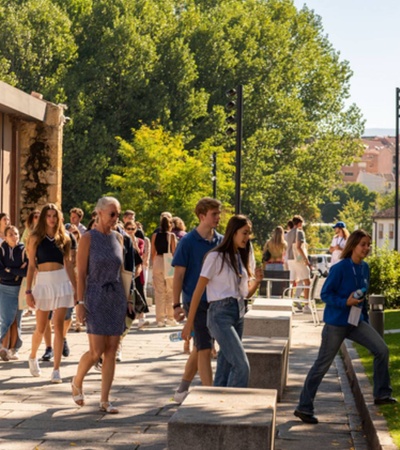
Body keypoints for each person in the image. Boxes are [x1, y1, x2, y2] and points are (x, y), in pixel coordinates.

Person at [294, 229, 397, 425]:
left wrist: (364, 317)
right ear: (353, 246)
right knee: (322, 365)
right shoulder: (339, 268)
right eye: (363, 245)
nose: (367, 248)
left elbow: (363, 296)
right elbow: (325, 294)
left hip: (356, 322)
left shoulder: (365, 268)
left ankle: (382, 394)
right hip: (336, 323)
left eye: (369, 245)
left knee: (382, 349)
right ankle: (304, 407)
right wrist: (345, 302)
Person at [182, 215, 263, 387]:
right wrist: (189, 323)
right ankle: (232, 408)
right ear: (233, 232)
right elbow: (198, 291)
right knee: (242, 366)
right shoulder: (215, 257)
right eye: (244, 233)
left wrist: (256, 282)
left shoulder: (240, 257)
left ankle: (216, 406)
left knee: (225, 367)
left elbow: (245, 294)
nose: (247, 237)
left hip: (239, 312)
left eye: (249, 234)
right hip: (219, 314)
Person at [71, 197, 132, 414]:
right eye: (112, 214)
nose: (116, 218)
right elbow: (81, 275)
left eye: (118, 213)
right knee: (96, 351)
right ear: (99, 213)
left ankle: (105, 400)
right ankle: (77, 380)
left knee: (112, 350)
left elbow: (123, 271)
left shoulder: (119, 237)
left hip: (115, 296)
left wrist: (129, 299)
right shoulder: (87, 238)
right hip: (95, 295)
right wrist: (79, 302)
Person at [172, 197, 223, 403]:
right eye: (214, 214)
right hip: (195, 301)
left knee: (200, 345)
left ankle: (182, 389)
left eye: (219, 214)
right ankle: (209, 393)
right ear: (202, 216)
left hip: (216, 300)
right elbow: (178, 275)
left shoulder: (221, 241)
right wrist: (175, 305)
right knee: (204, 347)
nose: (218, 218)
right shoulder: (188, 242)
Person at [26, 204, 76, 383]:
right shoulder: (35, 238)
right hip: (43, 283)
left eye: (55, 215)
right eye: (48, 215)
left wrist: (76, 288)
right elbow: (31, 266)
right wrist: (28, 290)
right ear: (43, 218)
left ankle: (56, 369)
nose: (52, 219)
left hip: (61, 281)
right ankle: (32, 356)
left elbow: (69, 265)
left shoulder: (66, 238)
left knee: (59, 327)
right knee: (40, 328)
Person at [0, 226, 28, 361]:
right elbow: (0, 273)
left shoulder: (23, 250)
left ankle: (14, 349)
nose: (14, 236)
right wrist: (16, 271)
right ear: (5, 237)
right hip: (4, 288)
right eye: (10, 234)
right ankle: (3, 347)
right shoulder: (1, 249)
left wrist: (9, 270)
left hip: (20, 288)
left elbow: (26, 272)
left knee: (17, 319)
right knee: (6, 319)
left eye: (16, 234)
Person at [151, 215, 177, 327]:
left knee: (159, 291)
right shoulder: (171, 236)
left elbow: (153, 252)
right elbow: (174, 252)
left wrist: (154, 264)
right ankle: (170, 318)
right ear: (170, 224)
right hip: (169, 261)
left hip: (158, 260)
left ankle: (160, 319)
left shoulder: (155, 235)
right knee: (170, 290)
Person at [285, 215, 312, 311]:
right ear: (300, 223)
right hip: (298, 259)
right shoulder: (300, 232)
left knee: (292, 282)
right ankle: (306, 305)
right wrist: (306, 260)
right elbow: (298, 247)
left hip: (290, 259)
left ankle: (289, 303)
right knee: (307, 281)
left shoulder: (288, 234)